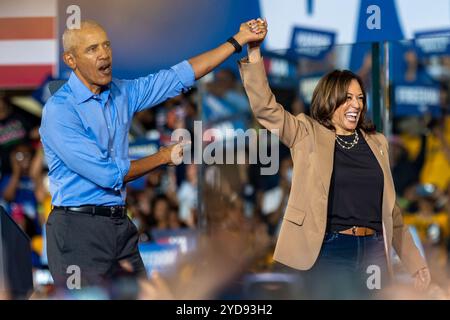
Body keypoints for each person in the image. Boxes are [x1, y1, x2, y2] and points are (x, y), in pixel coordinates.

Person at [39, 19, 265, 288]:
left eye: (106, 45)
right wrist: (163, 157)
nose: (104, 54)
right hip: (76, 231)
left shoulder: (123, 93)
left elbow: (180, 75)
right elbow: (107, 174)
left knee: (147, 294)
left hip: (119, 225)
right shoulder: (60, 111)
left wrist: (237, 40)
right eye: (92, 49)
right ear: (71, 60)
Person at [238, 19, 431, 299]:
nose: (356, 104)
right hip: (329, 250)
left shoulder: (376, 143)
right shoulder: (306, 132)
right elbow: (266, 109)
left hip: (374, 251)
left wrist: (416, 264)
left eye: (360, 98)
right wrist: (254, 54)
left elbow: (392, 213)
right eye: (348, 98)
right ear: (331, 99)